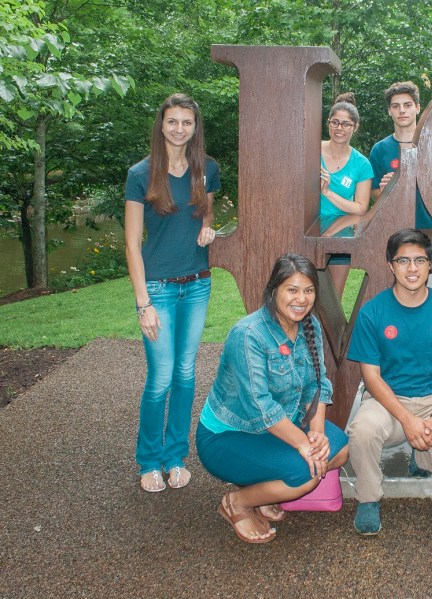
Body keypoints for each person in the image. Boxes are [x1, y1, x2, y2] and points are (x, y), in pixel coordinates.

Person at [196, 253, 349, 544]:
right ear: (274, 290)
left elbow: (317, 385)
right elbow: (260, 408)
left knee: (338, 451)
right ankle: (238, 502)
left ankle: (264, 487)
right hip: (230, 435)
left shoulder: (309, 325)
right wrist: (305, 446)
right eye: (292, 289)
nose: (301, 299)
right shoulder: (248, 334)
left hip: (282, 422)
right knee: (305, 474)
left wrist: (316, 436)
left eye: (308, 290)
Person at [346, 229, 432, 535]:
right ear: (391, 266)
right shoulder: (373, 313)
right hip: (387, 403)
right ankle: (368, 497)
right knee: (362, 431)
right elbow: (371, 377)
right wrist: (407, 420)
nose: (412, 268)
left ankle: (422, 456)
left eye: (420, 260)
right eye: (403, 260)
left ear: (430, 264)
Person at [125, 92, 220, 493]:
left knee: (185, 373)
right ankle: (149, 459)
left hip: (197, 284)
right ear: (161, 125)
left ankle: (175, 454)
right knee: (161, 377)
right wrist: (143, 304)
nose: (179, 129)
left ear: (195, 128)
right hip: (158, 290)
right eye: (172, 121)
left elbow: (207, 214)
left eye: (187, 122)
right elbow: (131, 244)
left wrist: (208, 228)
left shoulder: (207, 170)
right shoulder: (141, 174)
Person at [368, 81, 432, 228]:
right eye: (395, 106)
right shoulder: (379, 149)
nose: (402, 110)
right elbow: (374, 192)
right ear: (389, 110)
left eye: (407, 105)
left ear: (417, 108)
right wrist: (388, 190)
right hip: (395, 229)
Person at [319, 93, 373, 296]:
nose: (339, 128)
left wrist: (327, 192)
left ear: (355, 127)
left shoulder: (361, 164)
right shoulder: (310, 152)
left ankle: (328, 330)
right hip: (307, 229)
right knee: (305, 291)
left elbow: (361, 208)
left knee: (333, 297)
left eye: (346, 124)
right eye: (335, 122)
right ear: (328, 123)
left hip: (341, 231)